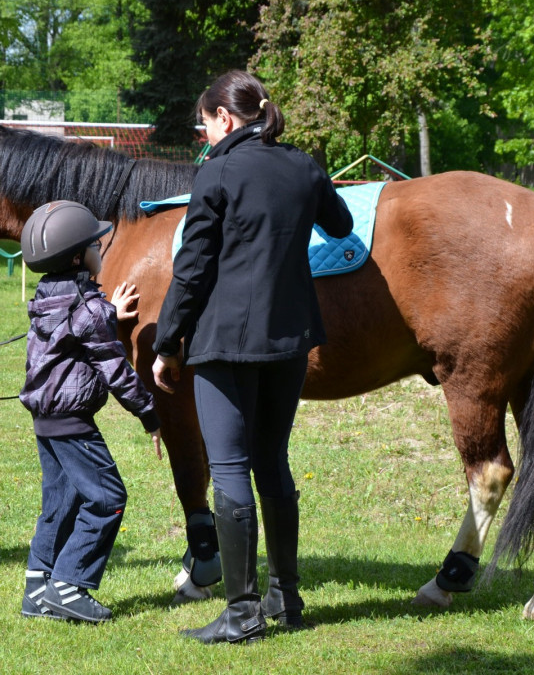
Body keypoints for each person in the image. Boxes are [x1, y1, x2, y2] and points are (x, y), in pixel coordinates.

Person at [152, 70, 354, 644]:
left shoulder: (217, 170)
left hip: (226, 343)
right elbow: (339, 226)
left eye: (205, 122)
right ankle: (285, 598)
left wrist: (167, 344)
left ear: (225, 118)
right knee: (274, 460)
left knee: (232, 468)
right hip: (289, 340)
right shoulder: (303, 165)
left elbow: (191, 270)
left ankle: (241, 613)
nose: (204, 134)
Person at [17, 200, 163, 624]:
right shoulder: (86, 308)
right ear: (79, 257)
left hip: (45, 421)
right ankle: (69, 586)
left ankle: (38, 588)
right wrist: (149, 416)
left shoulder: (48, 298)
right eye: (96, 246)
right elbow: (116, 370)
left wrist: (109, 311)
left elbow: (79, 328)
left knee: (60, 500)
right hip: (73, 423)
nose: (103, 251)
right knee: (107, 498)